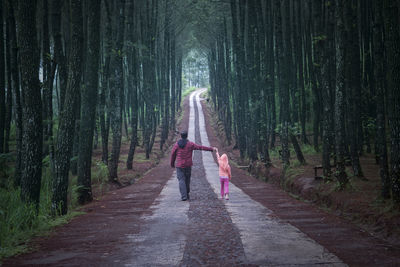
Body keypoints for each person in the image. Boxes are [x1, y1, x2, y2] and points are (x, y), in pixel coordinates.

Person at [170, 131, 216, 201]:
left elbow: (173, 154)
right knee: (187, 180)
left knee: (181, 180)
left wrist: (172, 163)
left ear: (181, 136)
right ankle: (187, 194)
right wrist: (211, 149)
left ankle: (184, 196)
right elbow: (200, 147)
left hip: (179, 165)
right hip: (188, 165)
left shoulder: (176, 145)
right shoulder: (190, 144)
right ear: (187, 136)